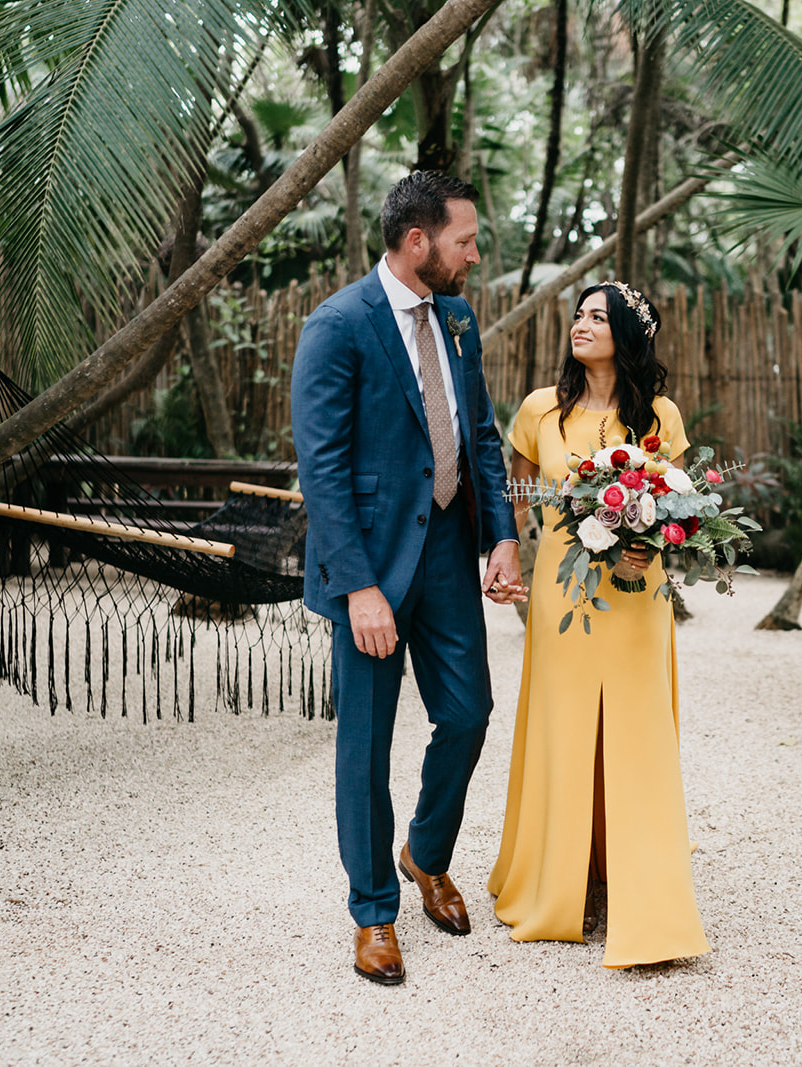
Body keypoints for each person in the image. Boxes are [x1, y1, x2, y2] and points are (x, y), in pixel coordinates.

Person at [292, 171, 526, 986]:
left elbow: (483, 437)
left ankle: (425, 852)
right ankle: (374, 912)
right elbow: (319, 470)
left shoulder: (457, 319)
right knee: (364, 745)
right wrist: (358, 587)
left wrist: (502, 535)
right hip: (370, 567)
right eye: (464, 239)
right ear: (417, 241)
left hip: (448, 554)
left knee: (469, 711)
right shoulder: (337, 325)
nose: (473, 254)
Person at [488, 281, 711, 968]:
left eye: (596, 317)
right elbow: (517, 490)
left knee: (637, 729)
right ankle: (560, 879)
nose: (580, 326)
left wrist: (655, 540)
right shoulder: (539, 410)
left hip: (636, 593)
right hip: (563, 599)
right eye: (577, 316)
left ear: (627, 333)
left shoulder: (660, 416)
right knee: (563, 721)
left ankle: (640, 885)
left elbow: (679, 506)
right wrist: (507, 555)